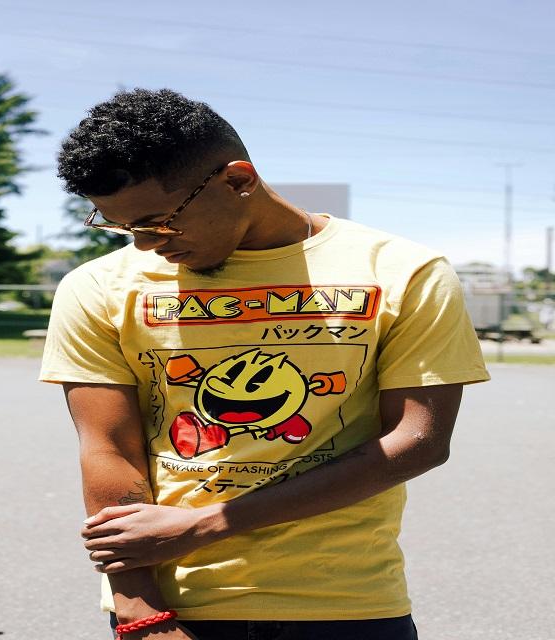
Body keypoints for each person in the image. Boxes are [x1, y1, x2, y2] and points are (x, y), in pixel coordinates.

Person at [40, 88, 490, 640]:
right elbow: (108, 448)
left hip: (347, 602)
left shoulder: (403, 272)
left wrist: (203, 526)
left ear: (237, 180)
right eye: (121, 226)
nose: (147, 243)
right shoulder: (97, 286)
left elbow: (418, 440)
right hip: (175, 606)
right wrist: (140, 610)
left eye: (159, 222)